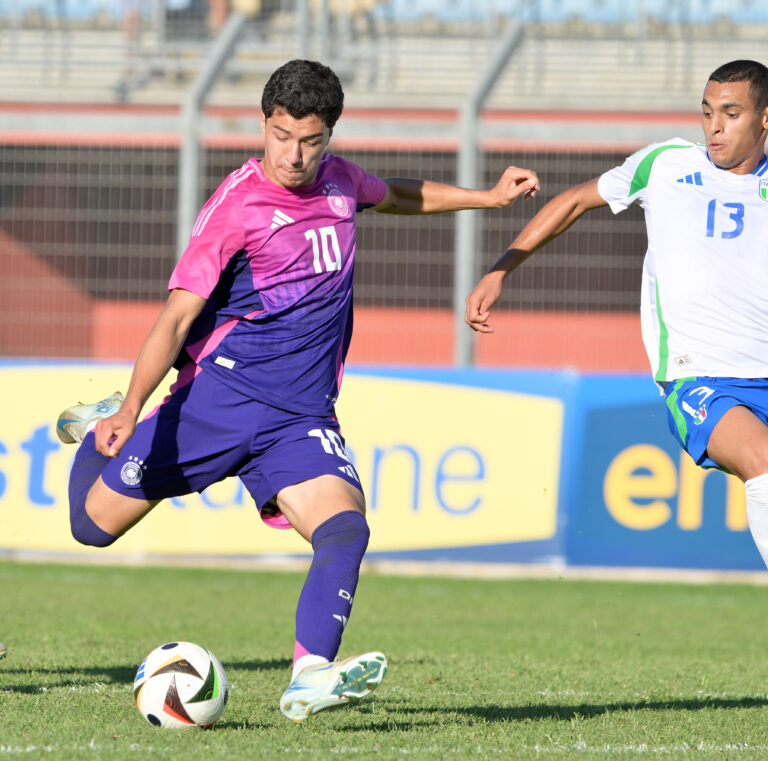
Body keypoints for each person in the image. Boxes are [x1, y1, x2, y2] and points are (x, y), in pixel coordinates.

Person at [465, 60, 768, 730]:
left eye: (731, 113)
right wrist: (500, 269)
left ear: (767, 117)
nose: (714, 126)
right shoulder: (665, 165)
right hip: (698, 375)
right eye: (707, 111)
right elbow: (574, 200)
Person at [56, 59, 538, 723]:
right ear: (264, 124)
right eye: (282, 136)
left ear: (330, 136)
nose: (294, 154)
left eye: (310, 141)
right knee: (90, 526)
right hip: (215, 404)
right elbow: (175, 315)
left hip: (299, 417)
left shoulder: (340, 182)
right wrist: (133, 406)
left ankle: (310, 675)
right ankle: (101, 423)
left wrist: (487, 199)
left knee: (344, 529)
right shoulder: (237, 206)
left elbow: (396, 194)